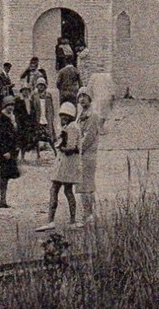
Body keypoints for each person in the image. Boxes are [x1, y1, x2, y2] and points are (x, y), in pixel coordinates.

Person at [35, 101, 80, 232]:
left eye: (66, 115)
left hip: (66, 163)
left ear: (70, 116)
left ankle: (52, 220)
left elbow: (71, 147)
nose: (63, 117)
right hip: (67, 162)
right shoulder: (71, 126)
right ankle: (71, 221)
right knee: (66, 191)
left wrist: (60, 146)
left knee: (56, 189)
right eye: (62, 115)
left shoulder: (71, 128)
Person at [74, 86, 103, 226]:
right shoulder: (81, 114)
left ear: (90, 98)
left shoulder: (93, 115)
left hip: (88, 155)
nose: (82, 99)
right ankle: (87, 215)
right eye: (80, 97)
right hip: (81, 155)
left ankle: (88, 215)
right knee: (82, 186)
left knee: (87, 186)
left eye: (85, 96)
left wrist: (76, 148)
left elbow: (88, 137)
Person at [0, 96, 20, 208]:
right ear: (5, 106)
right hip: (4, 151)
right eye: (9, 105)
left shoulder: (12, 117)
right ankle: (2, 200)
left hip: (11, 150)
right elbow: (2, 137)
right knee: (3, 176)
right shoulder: (1, 119)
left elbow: (15, 133)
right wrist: (5, 151)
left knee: (7, 176)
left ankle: (3, 200)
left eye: (12, 105)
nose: (11, 107)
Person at [34, 78, 58, 158]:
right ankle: (38, 154)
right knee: (37, 137)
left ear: (45, 86)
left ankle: (55, 152)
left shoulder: (48, 95)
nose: (41, 87)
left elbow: (51, 108)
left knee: (49, 137)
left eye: (42, 85)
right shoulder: (34, 95)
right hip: (38, 118)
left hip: (46, 118)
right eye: (39, 85)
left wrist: (50, 119)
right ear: (37, 86)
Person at [14, 84, 35, 159]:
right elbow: (16, 112)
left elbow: (33, 112)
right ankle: (17, 156)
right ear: (21, 92)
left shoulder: (31, 101)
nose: (26, 92)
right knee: (20, 139)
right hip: (21, 122)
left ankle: (23, 156)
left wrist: (32, 122)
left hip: (28, 123)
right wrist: (17, 121)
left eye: (27, 91)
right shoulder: (18, 101)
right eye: (24, 91)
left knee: (27, 139)